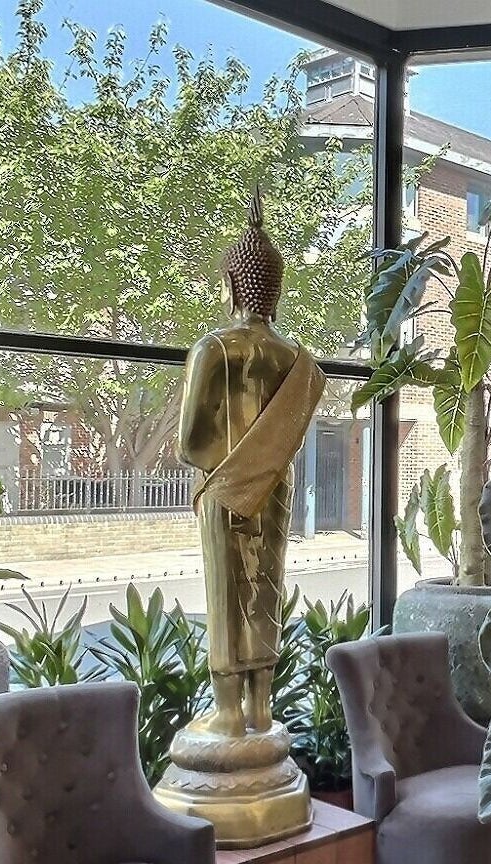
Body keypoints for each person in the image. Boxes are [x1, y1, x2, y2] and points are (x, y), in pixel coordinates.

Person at [177, 189, 325, 737]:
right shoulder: (295, 359)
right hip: (275, 486)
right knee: (265, 584)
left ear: (230, 284)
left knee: (226, 592)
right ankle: (262, 707)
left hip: (225, 488)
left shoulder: (213, 348)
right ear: (275, 290)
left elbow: (190, 441)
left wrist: (224, 467)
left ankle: (229, 712)